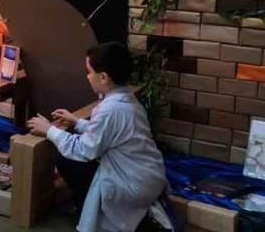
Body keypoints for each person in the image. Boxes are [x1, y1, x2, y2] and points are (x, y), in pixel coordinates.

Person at [27, 42, 169, 232]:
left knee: (68, 160)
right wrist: (77, 122)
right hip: (149, 176)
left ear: (103, 77)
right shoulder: (126, 100)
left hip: (132, 184)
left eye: (89, 71)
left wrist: (49, 130)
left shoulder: (110, 109)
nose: (87, 76)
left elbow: (83, 150)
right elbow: (110, 134)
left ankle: (121, 218)